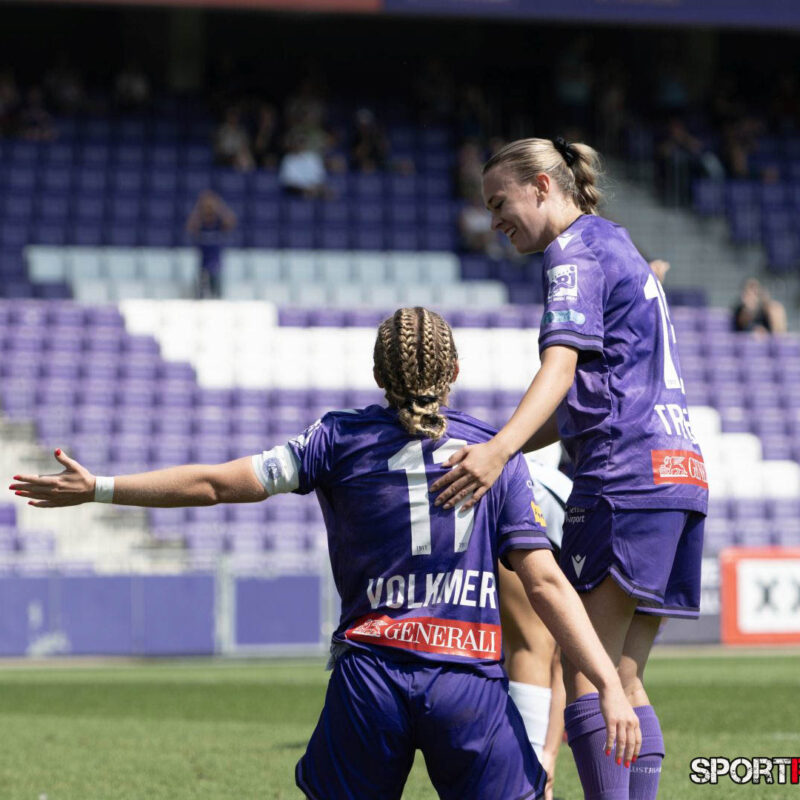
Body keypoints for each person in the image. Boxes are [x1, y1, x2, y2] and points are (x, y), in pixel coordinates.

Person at [10, 307, 640, 800]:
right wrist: (608, 685)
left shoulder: (336, 439)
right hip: (466, 682)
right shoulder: (494, 453)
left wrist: (101, 487)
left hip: (371, 681)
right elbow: (545, 584)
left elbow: (215, 485)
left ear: (378, 376)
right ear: (453, 371)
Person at [431, 138, 708, 800]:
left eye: (500, 202)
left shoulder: (572, 253)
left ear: (542, 186)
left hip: (623, 478)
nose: (495, 220)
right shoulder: (617, 243)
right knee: (624, 678)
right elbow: (582, 400)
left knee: (588, 674)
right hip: (679, 473)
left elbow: (559, 372)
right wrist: (500, 444)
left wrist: (498, 451)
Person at [504, 453, 573, 800]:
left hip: (518, 483)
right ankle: (527, 779)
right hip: (529, 488)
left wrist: (550, 755)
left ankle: (532, 773)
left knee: (544, 647)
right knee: (538, 644)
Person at [185, 190, 237, 299]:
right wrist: (198, 208)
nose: (208, 209)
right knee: (200, 293)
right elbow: (190, 227)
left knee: (216, 294)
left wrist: (219, 207)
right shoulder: (200, 224)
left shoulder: (219, 224)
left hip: (216, 266)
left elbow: (231, 222)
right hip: (203, 265)